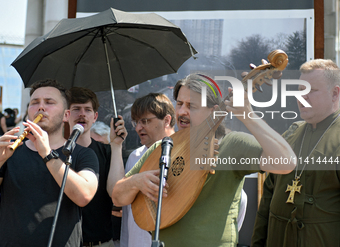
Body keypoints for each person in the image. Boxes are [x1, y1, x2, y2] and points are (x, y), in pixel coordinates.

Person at [111, 73, 296, 247]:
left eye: (191, 106)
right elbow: (118, 195)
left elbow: (287, 162)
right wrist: (137, 181)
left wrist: (249, 117)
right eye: (180, 103)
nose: (182, 111)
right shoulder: (165, 146)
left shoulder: (233, 144)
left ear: (213, 112)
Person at [251, 59, 340, 247]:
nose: (302, 97)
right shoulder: (291, 133)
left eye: (311, 91)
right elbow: (267, 199)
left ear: (335, 93)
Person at [0, 79, 99, 246]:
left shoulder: (83, 154)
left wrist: (47, 154)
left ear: (66, 115)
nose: (40, 107)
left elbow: (84, 196)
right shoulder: (11, 152)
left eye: (49, 102)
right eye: (34, 102)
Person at [68, 87, 127, 247]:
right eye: (76, 109)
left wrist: (116, 146)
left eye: (87, 109)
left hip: (101, 242)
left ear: (94, 117)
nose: (82, 114)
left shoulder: (108, 151)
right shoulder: (56, 153)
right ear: (66, 115)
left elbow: (116, 194)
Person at [120, 92, 176, 247]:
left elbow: (241, 200)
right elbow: (127, 213)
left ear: (167, 120)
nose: (138, 128)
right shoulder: (134, 157)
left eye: (144, 121)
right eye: (136, 122)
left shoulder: (185, 153)